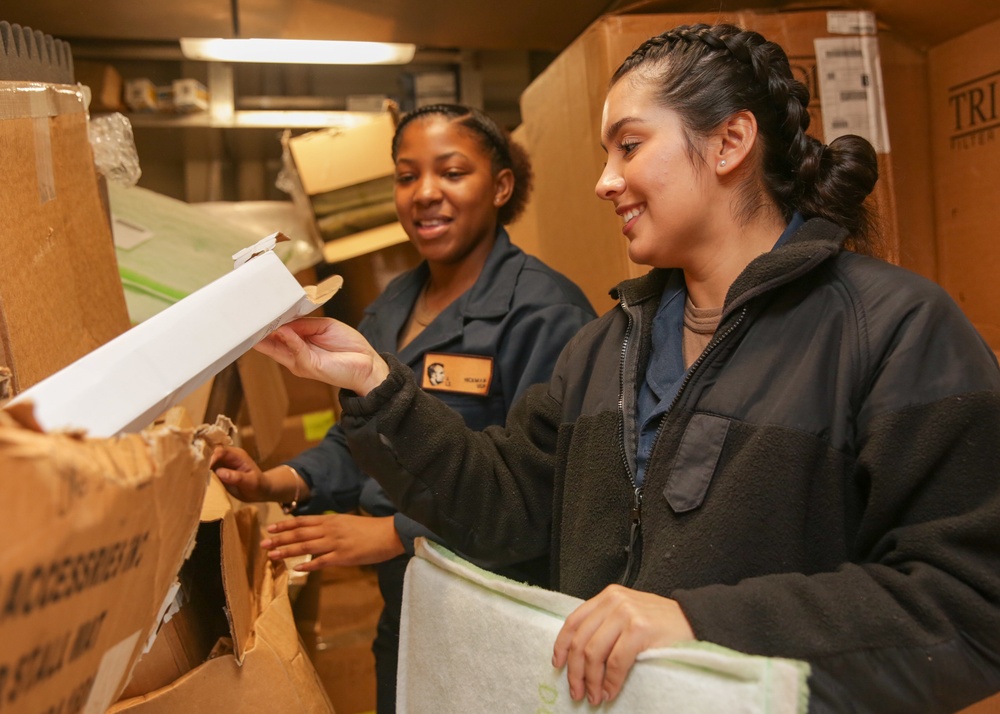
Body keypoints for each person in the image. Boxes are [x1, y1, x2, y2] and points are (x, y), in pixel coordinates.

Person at [246, 24, 1000, 713]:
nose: (605, 181)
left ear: (731, 141)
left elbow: (972, 605)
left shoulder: (895, 330)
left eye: (629, 147)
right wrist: (374, 384)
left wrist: (701, 623)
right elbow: (508, 508)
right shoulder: (604, 349)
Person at [211, 104, 596, 713]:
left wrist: (395, 533)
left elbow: (547, 487)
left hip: (502, 614)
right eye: (406, 175)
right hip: (411, 607)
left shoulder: (546, 314)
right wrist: (279, 479)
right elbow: (357, 440)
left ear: (500, 187)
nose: (425, 194)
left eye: (451, 172)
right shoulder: (390, 307)